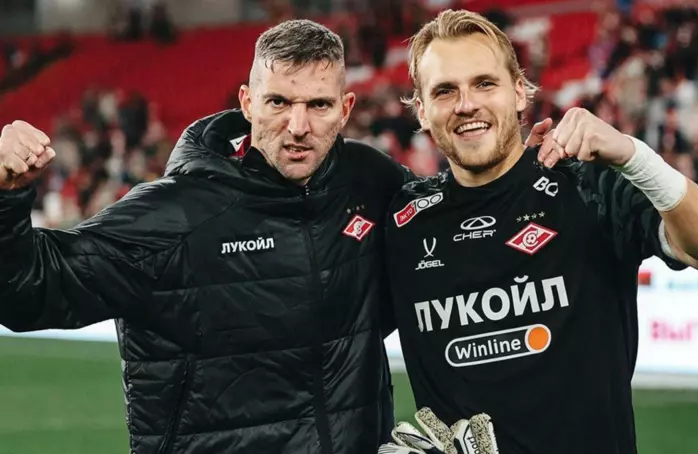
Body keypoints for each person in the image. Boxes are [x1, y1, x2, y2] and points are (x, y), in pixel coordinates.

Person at [0, 20, 410, 454]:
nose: (297, 125)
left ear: (345, 109)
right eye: (278, 102)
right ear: (247, 103)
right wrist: (6, 199)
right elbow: (30, 292)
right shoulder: (174, 214)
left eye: (319, 105)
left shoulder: (371, 183)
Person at [379, 9, 698, 454]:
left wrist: (634, 157)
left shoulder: (589, 186)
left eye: (484, 83)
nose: (466, 104)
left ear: (518, 92)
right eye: (445, 90)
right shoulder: (401, 220)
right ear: (422, 110)